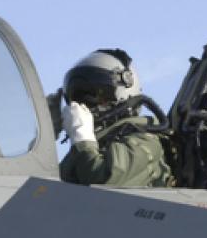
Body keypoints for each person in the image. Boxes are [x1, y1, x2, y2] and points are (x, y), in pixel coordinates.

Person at [58, 48, 175, 187]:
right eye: (79, 99)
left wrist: (82, 137)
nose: (85, 106)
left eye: (98, 96)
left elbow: (101, 181)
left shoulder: (145, 141)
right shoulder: (85, 148)